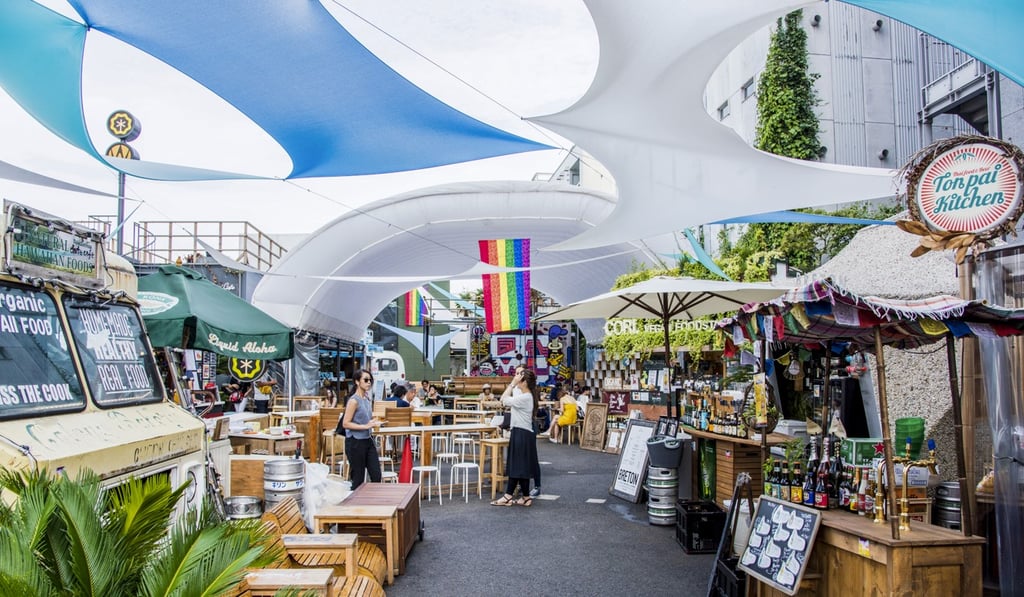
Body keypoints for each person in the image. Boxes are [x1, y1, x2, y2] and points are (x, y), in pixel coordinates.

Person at [491, 367, 539, 507]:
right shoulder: (527, 395)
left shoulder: (525, 397)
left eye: (520, 377)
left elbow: (503, 400)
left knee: (516, 466)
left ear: (524, 382)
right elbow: (510, 397)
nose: (517, 377)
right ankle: (525, 497)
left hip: (521, 433)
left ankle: (508, 496)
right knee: (520, 466)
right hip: (523, 432)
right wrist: (516, 382)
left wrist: (512, 383)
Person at [339, 369, 384, 491]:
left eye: (370, 380)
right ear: (357, 382)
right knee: (358, 478)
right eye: (365, 380)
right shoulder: (353, 401)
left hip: (367, 439)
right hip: (355, 441)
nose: (369, 383)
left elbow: (365, 420)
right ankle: (354, 505)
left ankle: (371, 503)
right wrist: (365, 426)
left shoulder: (367, 399)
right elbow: (346, 423)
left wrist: (373, 422)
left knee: (376, 474)